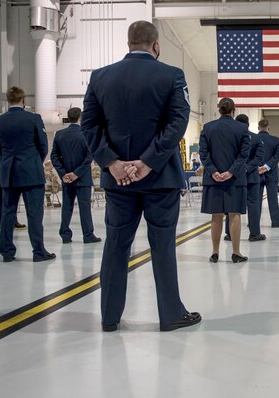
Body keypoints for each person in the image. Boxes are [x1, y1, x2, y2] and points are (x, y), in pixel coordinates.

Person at [81, 20, 200, 332]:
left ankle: (109, 316)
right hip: (160, 179)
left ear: (129, 43)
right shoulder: (172, 75)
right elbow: (177, 122)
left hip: (119, 181)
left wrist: (112, 163)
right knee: (162, 246)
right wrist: (148, 162)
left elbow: (89, 125)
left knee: (116, 245)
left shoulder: (100, 77)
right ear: (156, 45)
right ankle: (171, 314)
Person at [0, 87, 54, 262]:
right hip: (31, 172)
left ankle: (6, 252)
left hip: (9, 172)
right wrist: (35, 161)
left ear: (8, 101)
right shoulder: (33, 118)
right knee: (34, 214)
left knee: (7, 213)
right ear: (23, 100)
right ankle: (38, 252)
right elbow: (43, 145)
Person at [200, 98, 250, 263]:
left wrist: (213, 171)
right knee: (234, 214)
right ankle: (236, 252)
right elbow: (243, 155)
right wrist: (230, 172)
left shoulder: (208, 128)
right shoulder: (242, 128)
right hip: (234, 179)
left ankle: (215, 252)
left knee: (216, 215)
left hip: (213, 179)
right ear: (233, 110)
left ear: (218, 109)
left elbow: (204, 153)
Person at [51, 107, 102, 245]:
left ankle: (65, 235)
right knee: (84, 207)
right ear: (81, 117)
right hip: (83, 178)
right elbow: (89, 156)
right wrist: (77, 173)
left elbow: (54, 157)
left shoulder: (59, 134)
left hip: (66, 179)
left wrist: (63, 173)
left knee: (66, 207)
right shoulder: (86, 133)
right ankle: (88, 235)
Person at [236, 114, 266, 241]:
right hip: (252, 176)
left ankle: (230, 234)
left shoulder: (232, 138)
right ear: (248, 124)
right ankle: (254, 233)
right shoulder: (256, 138)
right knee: (253, 204)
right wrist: (247, 168)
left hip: (234, 176)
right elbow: (258, 158)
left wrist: (237, 169)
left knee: (233, 206)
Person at [257, 119, 279, 228]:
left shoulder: (253, 139)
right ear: (269, 128)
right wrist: (267, 166)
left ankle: (254, 222)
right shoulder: (275, 140)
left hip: (256, 172)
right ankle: (276, 222)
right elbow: (278, 156)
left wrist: (259, 167)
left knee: (256, 199)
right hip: (271, 172)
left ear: (258, 128)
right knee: (273, 199)